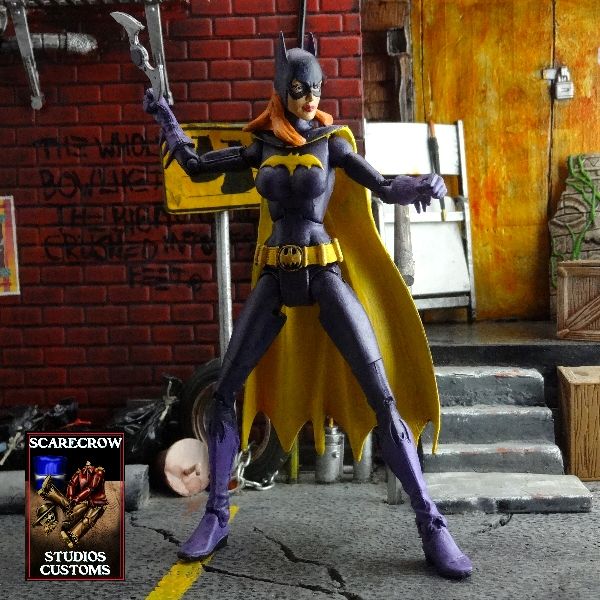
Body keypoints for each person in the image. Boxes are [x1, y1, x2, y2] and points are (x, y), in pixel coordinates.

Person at [143, 33, 472, 579]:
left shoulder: (331, 143)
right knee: (225, 392)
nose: (309, 99)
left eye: (316, 89)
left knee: (382, 395)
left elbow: (382, 185)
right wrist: (167, 120)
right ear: (281, 89)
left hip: (325, 273)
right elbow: (197, 166)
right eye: (299, 90)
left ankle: (431, 522)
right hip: (276, 275)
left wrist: (421, 184)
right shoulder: (260, 145)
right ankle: (216, 515)